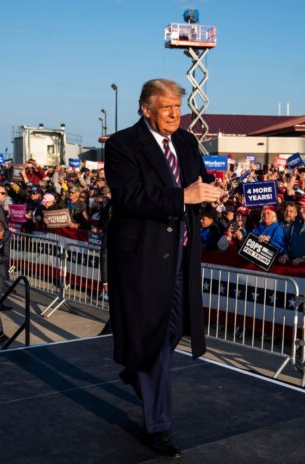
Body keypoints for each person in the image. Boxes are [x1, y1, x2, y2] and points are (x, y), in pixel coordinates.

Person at [104, 78, 222, 457]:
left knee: (170, 332)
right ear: (146, 109)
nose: (175, 114)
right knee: (153, 341)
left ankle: (135, 364)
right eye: (167, 107)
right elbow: (129, 195)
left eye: (178, 107)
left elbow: (198, 183)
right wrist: (181, 196)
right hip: (142, 257)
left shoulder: (187, 142)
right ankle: (159, 426)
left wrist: (211, 199)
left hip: (182, 257)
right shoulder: (122, 145)